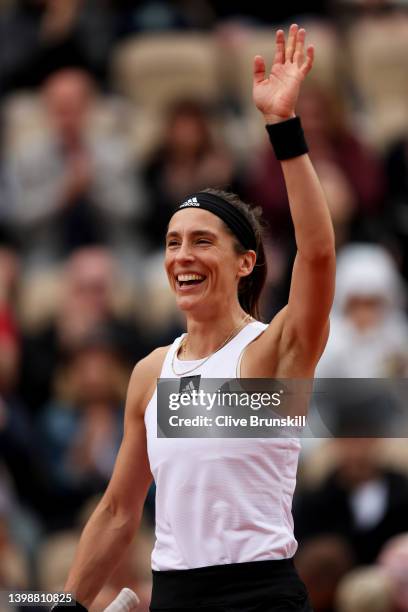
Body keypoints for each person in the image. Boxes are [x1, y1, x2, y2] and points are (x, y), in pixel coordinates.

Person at [57, 24, 335, 611]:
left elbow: (317, 254)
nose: (182, 255)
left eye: (202, 241)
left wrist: (282, 126)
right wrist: (65, 605)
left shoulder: (273, 353)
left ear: (245, 263)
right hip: (175, 596)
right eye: (172, 242)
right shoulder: (149, 374)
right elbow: (116, 512)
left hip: (259, 595)